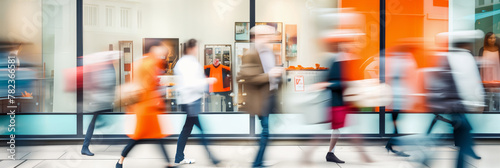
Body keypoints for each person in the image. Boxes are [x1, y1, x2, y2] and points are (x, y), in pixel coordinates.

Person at [115, 42, 175, 168]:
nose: (163, 52)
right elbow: (147, 85)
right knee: (138, 137)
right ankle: (120, 160)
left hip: (149, 108)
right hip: (145, 108)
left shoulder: (148, 62)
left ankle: (168, 164)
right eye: (160, 49)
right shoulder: (147, 63)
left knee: (157, 137)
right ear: (153, 48)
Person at [237, 25, 283, 168]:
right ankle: (257, 162)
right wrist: (270, 75)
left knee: (268, 130)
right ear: (256, 37)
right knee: (266, 131)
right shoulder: (250, 54)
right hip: (260, 100)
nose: (268, 38)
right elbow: (247, 77)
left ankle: (259, 159)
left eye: (269, 36)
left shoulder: (269, 52)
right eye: (264, 36)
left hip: (270, 97)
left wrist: (277, 75)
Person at [173, 39, 221, 166]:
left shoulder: (188, 62)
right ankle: (213, 158)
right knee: (200, 130)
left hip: (191, 100)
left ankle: (179, 157)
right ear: (190, 48)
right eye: (196, 48)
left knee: (187, 129)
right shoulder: (186, 63)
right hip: (190, 101)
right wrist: (208, 81)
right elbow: (190, 83)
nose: (197, 50)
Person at [81, 51, 118, 156]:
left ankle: (86, 146)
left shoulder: (108, 67)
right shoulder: (104, 68)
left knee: (102, 121)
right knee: (96, 123)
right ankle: (85, 147)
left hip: (103, 101)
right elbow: (104, 84)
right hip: (99, 102)